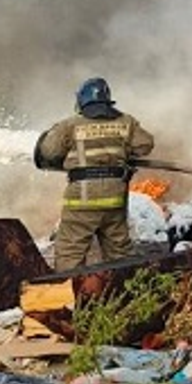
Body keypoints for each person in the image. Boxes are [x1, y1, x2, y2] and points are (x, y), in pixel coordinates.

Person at [33, 76, 155, 270]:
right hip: (114, 198)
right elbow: (145, 144)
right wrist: (121, 150)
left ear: (81, 100)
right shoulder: (126, 122)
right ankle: (123, 286)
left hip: (82, 198)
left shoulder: (70, 125)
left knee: (70, 251)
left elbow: (48, 151)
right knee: (119, 251)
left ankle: (69, 287)